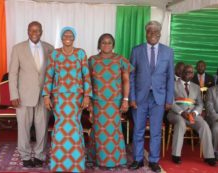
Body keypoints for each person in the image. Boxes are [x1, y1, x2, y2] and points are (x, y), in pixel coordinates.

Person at [42, 26, 92, 172]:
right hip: (59, 99)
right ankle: (59, 163)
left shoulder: (80, 53)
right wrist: (46, 96)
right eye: (65, 35)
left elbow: (86, 75)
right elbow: (49, 75)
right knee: (60, 128)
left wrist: (87, 96)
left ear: (74, 37)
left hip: (76, 98)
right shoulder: (55, 54)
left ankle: (76, 164)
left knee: (75, 127)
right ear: (61, 38)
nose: (67, 37)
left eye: (70, 35)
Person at [129, 21, 174, 172]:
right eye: (150, 31)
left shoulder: (168, 52)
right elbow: (131, 76)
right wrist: (132, 98)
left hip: (159, 98)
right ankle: (138, 159)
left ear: (160, 34)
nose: (153, 34)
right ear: (145, 33)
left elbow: (170, 77)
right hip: (140, 98)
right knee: (138, 130)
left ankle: (154, 161)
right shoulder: (136, 51)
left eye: (156, 32)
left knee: (156, 131)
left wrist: (169, 99)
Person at [9, 21, 54, 168]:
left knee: (42, 128)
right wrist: (13, 95)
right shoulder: (18, 48)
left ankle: (40, 155)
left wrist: (51, 94)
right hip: (23, 96)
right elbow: (13, 74)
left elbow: (52, 74)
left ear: (42, 32)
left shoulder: (50, 49)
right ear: (27, 31)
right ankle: (25, 156)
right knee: (23, 128)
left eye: (38, 31)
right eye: (31, 30)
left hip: (44, 96)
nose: (34, 33)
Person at [88, 33, 131, 168]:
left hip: (114, 102)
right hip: (97, 102)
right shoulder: (92, 60)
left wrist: (125, 99)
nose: (106, 45)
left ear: (113, 45)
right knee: (98, 130)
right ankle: (96, 158)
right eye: (103, 42)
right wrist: (88, 101)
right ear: (99, 44)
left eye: (109, 42)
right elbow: (87, 81)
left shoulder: (121, 60)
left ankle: (114, 160)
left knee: (113, 132)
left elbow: (126, 80)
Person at [167, 65, 216, 166]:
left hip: (192, 114)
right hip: (176, 113)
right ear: (181, 73)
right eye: (185, 71)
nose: (187, 74)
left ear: (193, 74)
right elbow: (170, 102)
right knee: (180, 123)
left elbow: (200, 104)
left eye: (190, 72)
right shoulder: (172, 84)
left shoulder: (196, 87)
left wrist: (195, 113)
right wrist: (181, 112)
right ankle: (176, 155)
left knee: (204, 125)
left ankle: (209, 156)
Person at [206, 84, 218, 161]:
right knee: (216, 128)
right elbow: (209, 106)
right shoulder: (211, 90)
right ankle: (214, 152)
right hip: (214, 117)